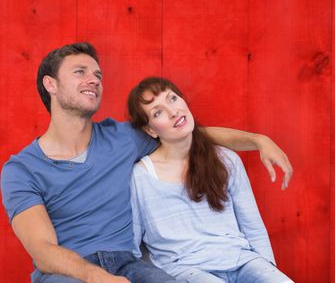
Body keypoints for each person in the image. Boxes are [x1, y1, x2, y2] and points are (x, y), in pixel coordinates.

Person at [0, 43, 293, 283]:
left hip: (129, 263)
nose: (94, 79)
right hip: (69, 272)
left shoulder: (122, 138)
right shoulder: (22, 170)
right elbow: (42, 250)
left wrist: (257, 141)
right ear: (50, 84)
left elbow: (186, 133)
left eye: (98, 75)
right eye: (80, 72)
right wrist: (93, 275)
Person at [127, 77, 294, 283]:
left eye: (172, 99)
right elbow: (132, 247)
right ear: (150, 129)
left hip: (241, 260)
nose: (173, 112)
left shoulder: (226, 159)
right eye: (157, 112)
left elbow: (254, 228)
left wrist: (270, 271)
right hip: (186, 270)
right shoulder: (140, 176)